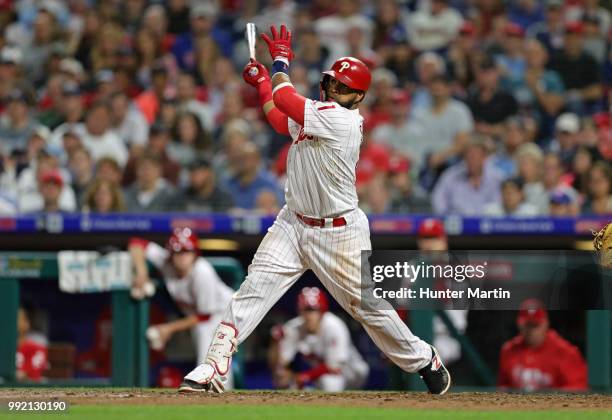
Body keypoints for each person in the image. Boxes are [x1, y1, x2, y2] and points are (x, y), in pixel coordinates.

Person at [179, 25, 450, 395]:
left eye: (342, 86)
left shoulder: (344, 121)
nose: (334, 88)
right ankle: (213, 367)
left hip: (339, 232)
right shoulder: (318, 111)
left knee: (366, 308)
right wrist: (262, 82)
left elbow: (287, 100)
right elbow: (279, 117)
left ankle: (422, 358)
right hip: (293, 223)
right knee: (252, 292)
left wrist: (278, 63)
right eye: (332, 82)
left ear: (358, 96)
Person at [128, 228, 234, 378]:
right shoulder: (166, 262)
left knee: (210, 360)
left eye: (187, 252)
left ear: (195, 254)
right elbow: (136, 243)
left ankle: (218, 395)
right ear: (171, 254)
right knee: (210, 360)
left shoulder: (202, 273)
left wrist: (169, 329)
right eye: (178, 252)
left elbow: (204, 317)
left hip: (226, 313)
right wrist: (142, 272)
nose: (182, 257)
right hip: (202, 315)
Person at [268, 287, 369, 391]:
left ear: (322, 311)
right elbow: (282, 364)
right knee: (288, 383)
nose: (308, 315)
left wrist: (304, 377)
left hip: (352, 372)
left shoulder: (334, 326)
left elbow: (334, 366)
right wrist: (276, 344)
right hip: (322, 374)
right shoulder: (294, 328)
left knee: (330, 383)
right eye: (305, 310)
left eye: (313, 310)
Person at [498, 299, 588, 391]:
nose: (531, 331)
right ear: (519, 324)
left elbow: (579, 389)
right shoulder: (509, 350)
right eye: (528, 325)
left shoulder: (565, 352)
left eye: (535, 325)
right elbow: (503, 387)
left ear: (546, 324)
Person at [432, 136, 503, 215]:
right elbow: (438, 201)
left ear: (484, 157)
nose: (472, 160)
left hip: (488, 224)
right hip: (456, 224)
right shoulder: (450, 176)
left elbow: (501, 205)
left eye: (476, 156)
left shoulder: (496, 178)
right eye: (469, 156)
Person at [16, 303, 48, 382]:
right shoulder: (4, 349)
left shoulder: (37, 349)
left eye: (17, 319)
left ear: (26, 324)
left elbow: (28, 376)